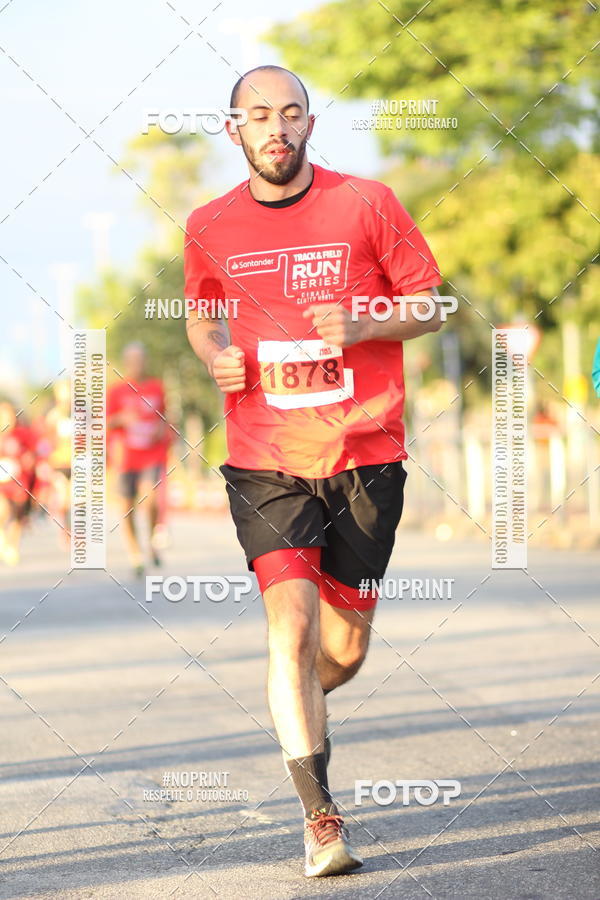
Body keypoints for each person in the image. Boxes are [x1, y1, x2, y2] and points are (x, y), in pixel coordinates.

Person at [184, 65, 445, 877]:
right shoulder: (207, 223)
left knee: (342, 652)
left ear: (309, 125)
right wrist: (217, 358)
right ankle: (321, 822)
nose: (277, 127)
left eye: (291, 113)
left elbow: (433, 302)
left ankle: (298, 709)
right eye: (259, 115)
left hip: (366, 455)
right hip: (265, 458)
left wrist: (367, 319)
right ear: (234, 130)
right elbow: (202, 312)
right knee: (288, 632)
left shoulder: (367, 202)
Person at [107, 343, 170, 577]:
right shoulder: (116, 391)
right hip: (125, 458)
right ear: (126, 363)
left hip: (151, 454)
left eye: (140, 359)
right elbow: (103, 423)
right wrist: (121, 418)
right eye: (132, 360)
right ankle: (135, 555)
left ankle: (152, 541)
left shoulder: (157, 387)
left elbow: (165, 416)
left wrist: (161, 429)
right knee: (126, 508)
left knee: (150, 500)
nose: (137, 364)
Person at [0, 401, 37, 566]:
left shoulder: (23, 434)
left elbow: (35, 451)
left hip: (20, 481)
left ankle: (12, 545)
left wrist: (30, 459)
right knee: (3, 510)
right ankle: (3, 538)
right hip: (2, 482)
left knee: (18, 515)